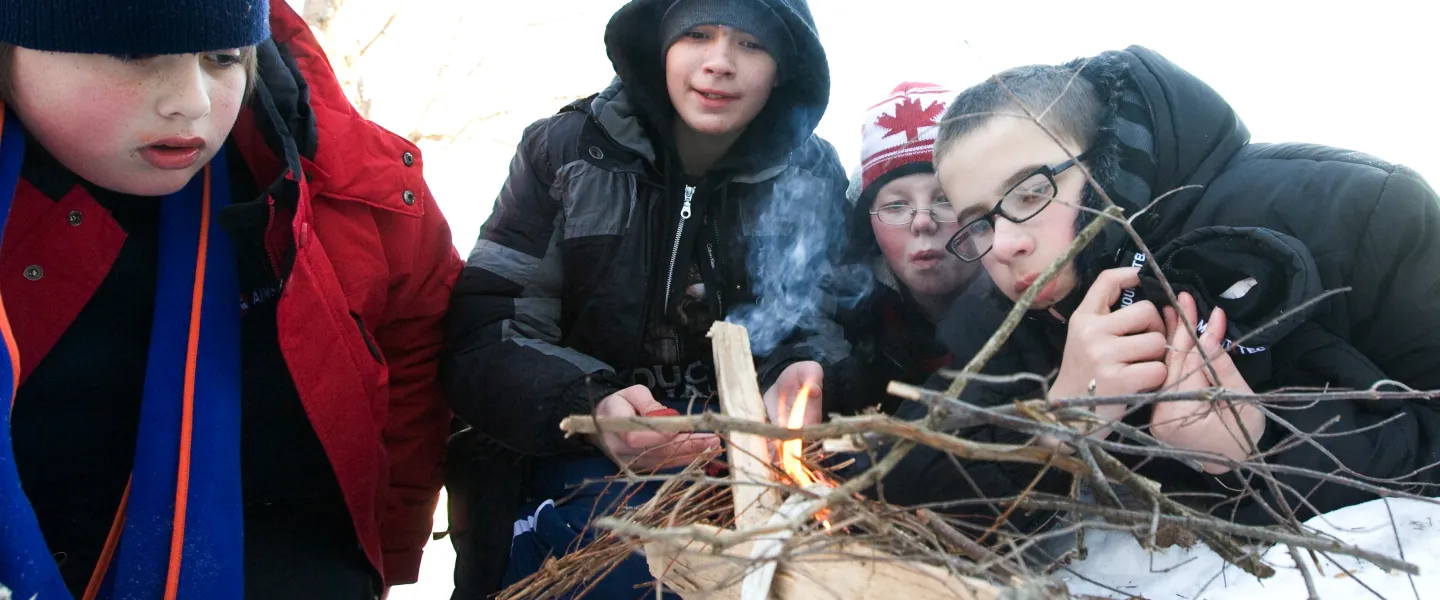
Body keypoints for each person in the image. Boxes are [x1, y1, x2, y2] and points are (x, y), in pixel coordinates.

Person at [869, 46, 1440, 537]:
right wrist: (1050, 428)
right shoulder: (999, 318)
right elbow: (896, 480)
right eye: (983, 223)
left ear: (1105, 162)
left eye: (1029, 194)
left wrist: (1259, 449)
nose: (1005, 245)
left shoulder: (1363, 213)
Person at [0, 1, 462, 598]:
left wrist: (385, 558)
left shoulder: (356, 190)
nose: (191, 101)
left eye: (222, 57)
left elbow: (414, 379)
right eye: (137, 54)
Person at [440, 0, 853, 596]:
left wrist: (806, 372)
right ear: (660, 46)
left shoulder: (810, 172)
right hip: (561, 468)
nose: (719, 63)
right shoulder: (564, 151)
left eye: (752, 45)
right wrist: (594, 406)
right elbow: (485, 334)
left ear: (785, 68)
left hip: (743, 479)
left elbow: (825, 318)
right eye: (697, 34)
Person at [838, 82, 981, 415]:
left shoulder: (1036, 303)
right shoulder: (848, 319)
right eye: (896, 205)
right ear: (869, 224)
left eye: (946, 199)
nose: (922, 223)